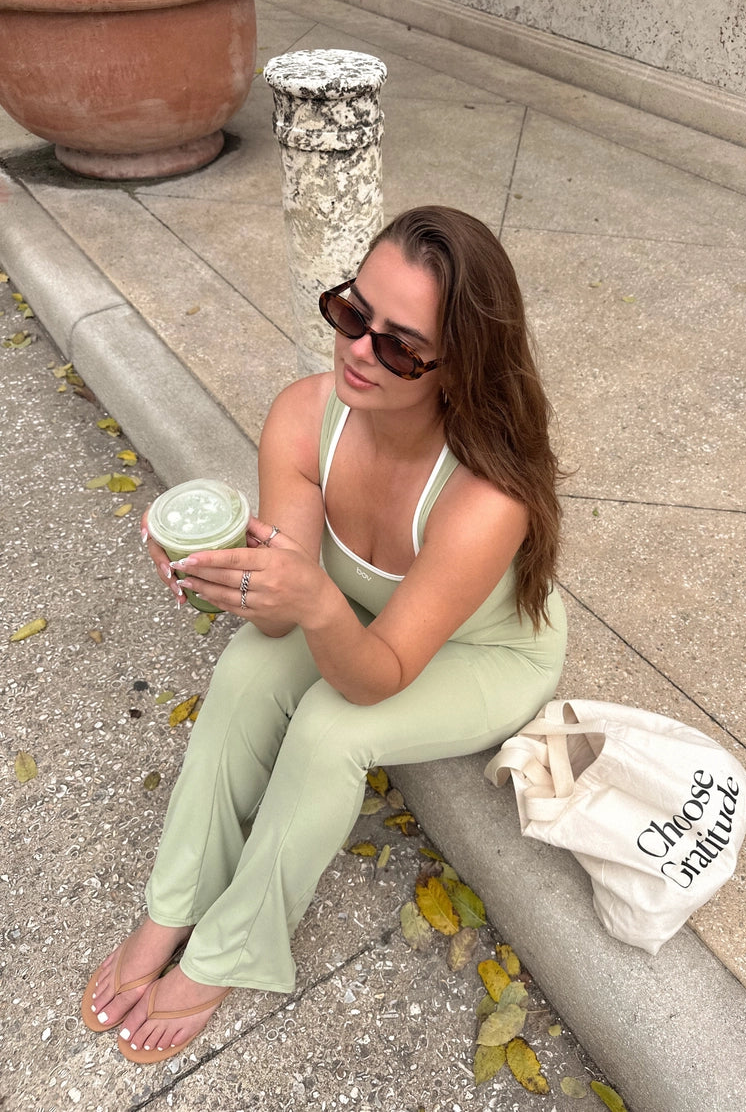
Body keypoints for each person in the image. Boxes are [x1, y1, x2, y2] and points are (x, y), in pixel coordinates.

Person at [81, 205, 568, 1064]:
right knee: (244, 669)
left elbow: (371, 677)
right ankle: (172, 907)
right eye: (352, 315)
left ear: (459, 368)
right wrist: (218, 581)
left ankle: (233, 950)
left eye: (401, 345)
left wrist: (312, 602)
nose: (358, 350)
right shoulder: (305, 417)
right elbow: (280, 611)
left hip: (482, 652)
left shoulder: (487, 499)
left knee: (330, 727)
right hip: (364, 620)